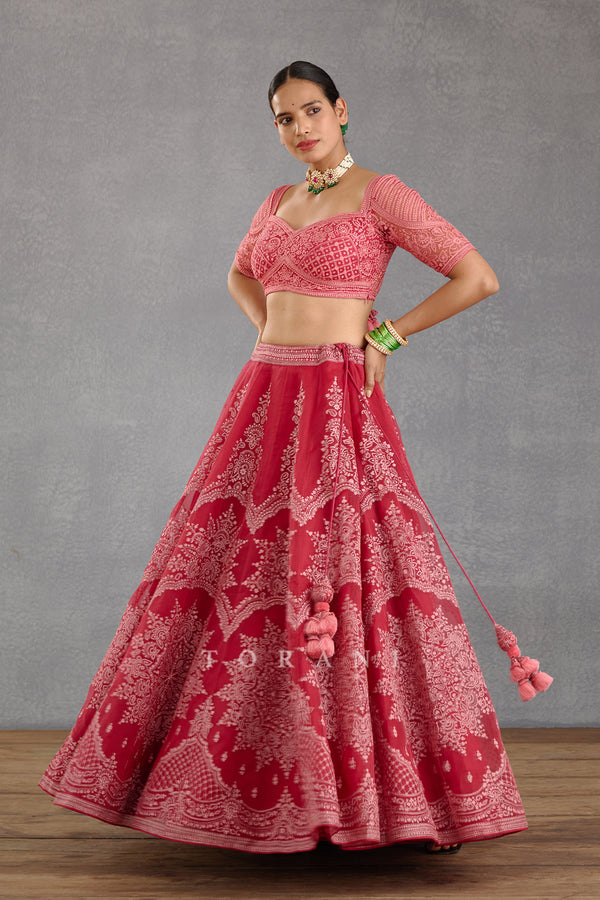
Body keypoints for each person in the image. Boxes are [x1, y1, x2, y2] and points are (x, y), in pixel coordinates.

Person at [40, 60, 550, 855]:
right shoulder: (276, 202)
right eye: (285, 118)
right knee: (242, 568)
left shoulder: (382, 195)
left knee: (345, 565)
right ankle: (248, 787)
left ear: (341, 111)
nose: (301, 127)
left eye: (312, 110)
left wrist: (387, 335)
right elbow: (240, 274)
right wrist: (268, 330)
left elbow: (475, 277)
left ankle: (373, 798)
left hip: (338, 398)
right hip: (265, 393)